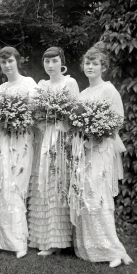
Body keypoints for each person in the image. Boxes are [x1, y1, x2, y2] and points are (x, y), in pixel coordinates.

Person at [70, 46, 133, 268]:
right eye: (87, 63)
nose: (90, 66)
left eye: (95, 63)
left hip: (101, 149)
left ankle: (114, 251)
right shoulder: (83, 94)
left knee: (98, 195)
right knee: (85, 193)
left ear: (103, 67)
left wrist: (97, 134)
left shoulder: (109, 90)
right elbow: (75, 122)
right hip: (84, 150)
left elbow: (117, 120)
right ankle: (92, 248)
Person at [0, 47, 37, 258]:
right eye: (3, 62)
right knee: (1, 185)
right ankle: (2, 239)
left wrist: (18, 121)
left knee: (15, 186)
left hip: (20, 141)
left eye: (10, 61)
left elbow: (35, 114)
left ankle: (18, 242)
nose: (7, 65)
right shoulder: (1, 89)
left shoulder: (29, 84)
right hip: (4, 141)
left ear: (17, 61)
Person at [28, 47, 79, 256]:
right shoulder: (41, 86)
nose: (50, 65)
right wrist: (41, 119)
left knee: (58, 184)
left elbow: (75, 113)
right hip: (44, 139)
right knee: (43, 184)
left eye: (54, 61)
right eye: (47, 62)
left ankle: (60, 241)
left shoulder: (70, 83)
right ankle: (45, 239)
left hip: (61, 140)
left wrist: (58, 119)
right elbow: (34, 112)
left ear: (62, 62)